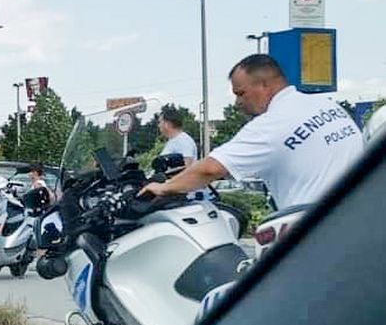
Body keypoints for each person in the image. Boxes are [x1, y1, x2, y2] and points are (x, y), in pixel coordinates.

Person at [141, 54, 364, 210]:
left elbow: (211, 169)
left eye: (240, 93)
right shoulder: (327, 106)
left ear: (264, 85)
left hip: (314, 232)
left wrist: (163, 188)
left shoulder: (272, 123)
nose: (237, 102)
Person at [157, 109, 213, 201]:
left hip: (185, 195)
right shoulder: (173, 141)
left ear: (167, 124)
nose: (158, 125)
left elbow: (186, 167)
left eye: (160, 122)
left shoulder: (183, 141)